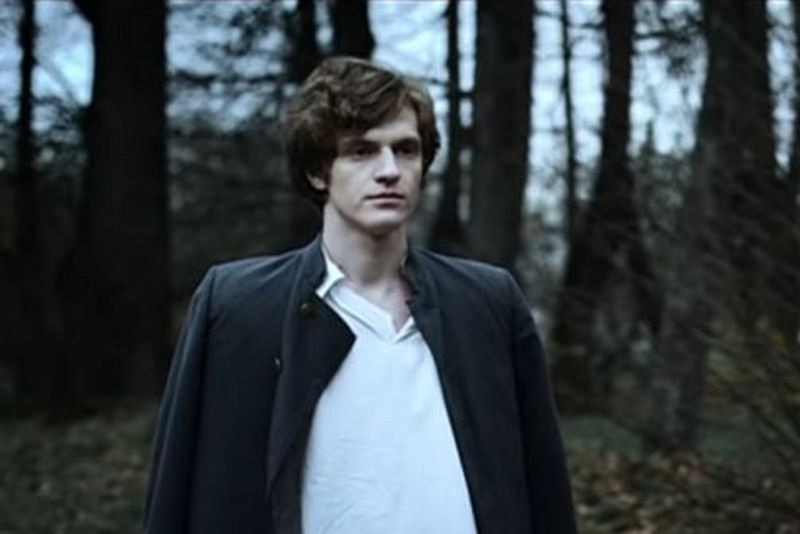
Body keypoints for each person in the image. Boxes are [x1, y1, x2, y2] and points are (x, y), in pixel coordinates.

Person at [144, 56, 576, 534]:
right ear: (318, 172)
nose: (389, 170)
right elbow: (176, 493)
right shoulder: (239, 307)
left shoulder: (487, 304)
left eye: (406, 150)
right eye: (361, 151)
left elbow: (545, 489)